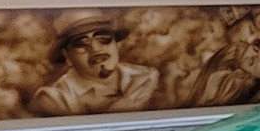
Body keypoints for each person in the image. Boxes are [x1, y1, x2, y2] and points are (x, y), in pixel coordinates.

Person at [29, 12, 161, 115]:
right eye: (81, 42)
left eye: (103, 38)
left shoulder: (148, 77)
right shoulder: (54, 99)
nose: (96, 49)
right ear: (67, 56)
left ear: (116, 44)